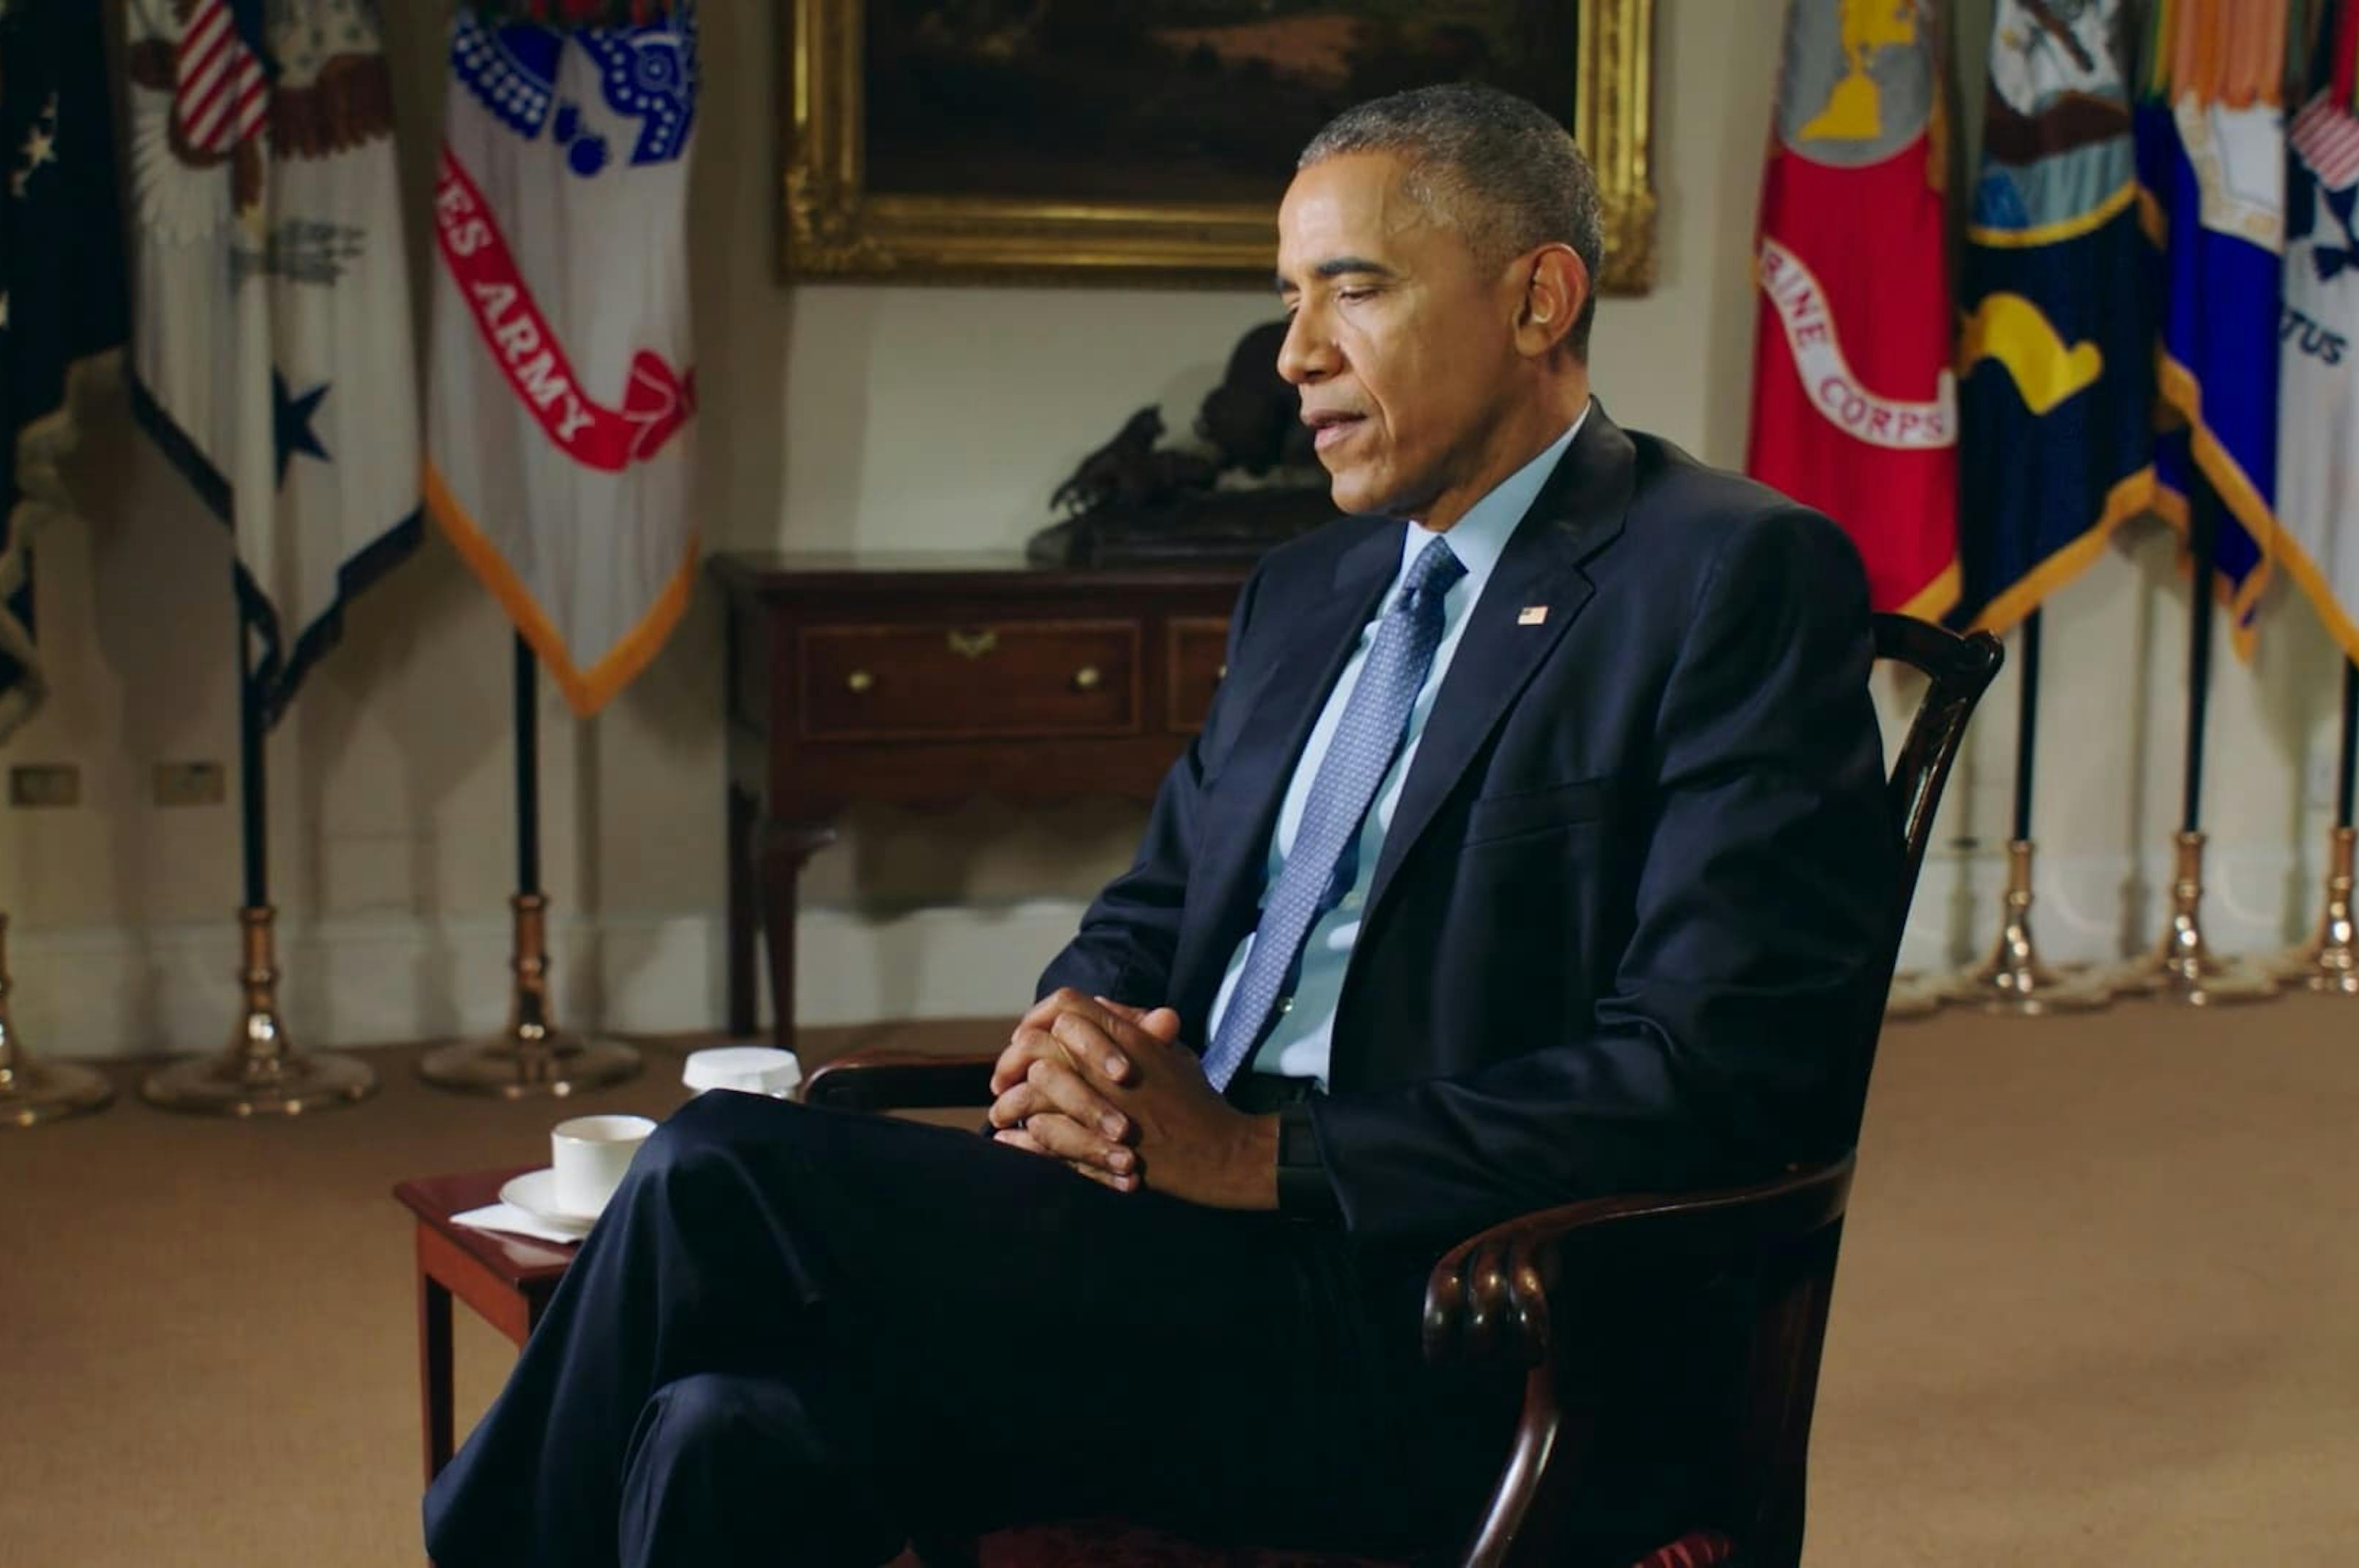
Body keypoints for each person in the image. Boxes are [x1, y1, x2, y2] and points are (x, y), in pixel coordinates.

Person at [423, 83, 1899, 1568]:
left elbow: (1716, 1078)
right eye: (1287, 298)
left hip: (1449, 1316)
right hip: (1174, 1257)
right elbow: (1161, 905)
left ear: (1538, 299)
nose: (1295, 355)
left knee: (720, 1169)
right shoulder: (1309, 592)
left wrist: (1267, 1159)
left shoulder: (1732, 578)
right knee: (713, 1427)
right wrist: (1080, 1035)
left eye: (1354, 290)